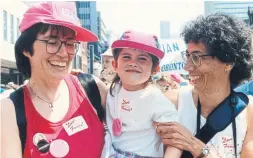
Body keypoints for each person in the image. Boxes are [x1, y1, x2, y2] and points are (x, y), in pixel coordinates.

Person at [1, 2, 107, 158]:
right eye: (52, 42)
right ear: (26, 49)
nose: (64, 53)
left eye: (70, 43)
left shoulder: (93, 89)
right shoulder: (9, 111)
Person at [154, 13, 253, 158]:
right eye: (187, 56)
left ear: (228, 62)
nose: (187, 67)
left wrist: (196, 147)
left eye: (196, 57)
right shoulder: (173, 101)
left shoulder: (248, 111)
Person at [105, 30, 181, 157]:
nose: (133, 63)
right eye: (126, 57)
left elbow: (175, 140)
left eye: (142, 58)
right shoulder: (111, 90)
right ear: (115, 64)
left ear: (155, 69)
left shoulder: (156, 99)